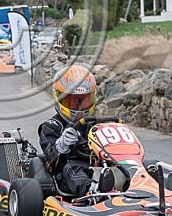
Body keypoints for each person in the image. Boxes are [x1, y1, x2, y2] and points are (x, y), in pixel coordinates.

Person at [38, 65, 115, 197]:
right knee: (71, 168)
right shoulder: (51, 126)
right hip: (66, 174)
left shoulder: (96, 124)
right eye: (73, 101)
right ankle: (93, 190)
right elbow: (49, 160)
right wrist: (61, 146)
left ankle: (141, 184)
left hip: (99, 166)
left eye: (84, 100)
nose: (79, 107)